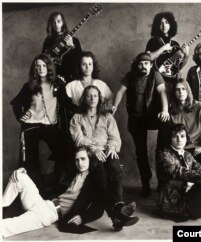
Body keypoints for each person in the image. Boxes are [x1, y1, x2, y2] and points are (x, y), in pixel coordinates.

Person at [2, 149, 139, 238]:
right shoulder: (69, 174)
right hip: (42, 202)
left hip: (49, 214)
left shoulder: (92, 181)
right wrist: (24, 170)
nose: (80, 163)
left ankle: (119, 212)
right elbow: (45, 178)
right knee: (19, 176)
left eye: (83, 159)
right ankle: (2, 209)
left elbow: (98, 208)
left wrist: (82, 217)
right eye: (77, 160)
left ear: (90, 160)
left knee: (7, 227)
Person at [70, 85, 138, 225]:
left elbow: (115, 137)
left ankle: (117, 212)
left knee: (115, 167)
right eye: (89, 95)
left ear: (99, 98)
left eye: (95, 95)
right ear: (84, 98)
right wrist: (93, 148)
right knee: (101, 174)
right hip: (89, 154)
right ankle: (118, 213)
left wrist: (112, 147)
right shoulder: (77, 118)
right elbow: (78, 139)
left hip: (107, 151)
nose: (92, 98)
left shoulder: (107, 117)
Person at [10, 53, 76, 196]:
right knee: (30, 159)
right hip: (31, 126)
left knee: (66, 148)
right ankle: (36, 193)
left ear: (49, 67)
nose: (41, 68)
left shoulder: (57, 84)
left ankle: (57, 189)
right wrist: (20, 117)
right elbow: (15, 103)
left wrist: (83, 109)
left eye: (44, 65)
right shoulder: (29, 86)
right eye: (37, 66)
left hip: (49, 126)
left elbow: (67, 103)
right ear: (34, 69)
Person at [112, 52, 169, 197]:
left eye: (146, 63)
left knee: (163, 145)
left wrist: (164, 110)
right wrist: (114, 106)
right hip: (136, 119)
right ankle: (146, 183)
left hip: (152, 116)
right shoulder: (130, 75)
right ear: (137, 65)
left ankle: (163, 182)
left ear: (150, 65)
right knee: (141, 152)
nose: (143, 66)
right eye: (141, 63)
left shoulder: (156, 75)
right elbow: (120, 91)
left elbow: (162, 92)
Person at [145, 12, 189, 100]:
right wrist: (163, 48)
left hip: (172, 82)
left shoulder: (175, 44)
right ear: (157, 26)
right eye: (161, 23)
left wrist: (186, 55)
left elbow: (178, 67)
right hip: (156, 82)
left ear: (171, 25)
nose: (164, 25)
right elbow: (147, 59)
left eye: (166, 22)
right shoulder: (152, 41)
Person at [42, 11, 83, 83]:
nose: (56, 24)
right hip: (53, 77)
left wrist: (72, 46)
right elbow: (42, 59)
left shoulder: (75, 40)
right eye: (53, 22)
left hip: (70, 78)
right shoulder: (48, 40)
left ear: (63, 22)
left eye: (58, 21)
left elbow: (80, 60)